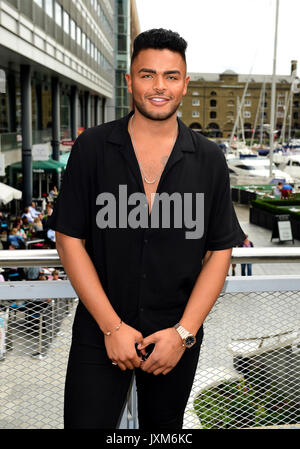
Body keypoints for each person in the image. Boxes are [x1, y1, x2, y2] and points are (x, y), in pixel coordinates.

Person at [47, 28, 246, 430]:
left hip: (174, 340)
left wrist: (184, 333)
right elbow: (70, 241)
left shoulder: (208, 159)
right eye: (147, 74)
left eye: (171, 76)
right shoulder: (92, 149)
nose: (159, 87)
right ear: (129, 81)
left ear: (185, 84)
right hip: (99, 334)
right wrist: (112, 326)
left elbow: (219, 252)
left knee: (164, 432)